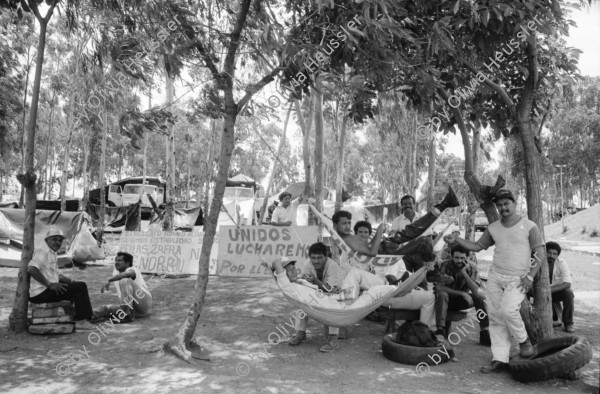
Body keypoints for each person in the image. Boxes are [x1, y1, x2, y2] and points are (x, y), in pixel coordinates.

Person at [445, 189, 544, 374]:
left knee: (508, 310)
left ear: (514, 203)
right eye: (499, 205)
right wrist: (456, 239)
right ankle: (500, 359)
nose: (502, 207)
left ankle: (524, 341)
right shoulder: (494, 228)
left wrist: (530, 276)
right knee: (495, 318)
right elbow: (477, 246)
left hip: (519, 278)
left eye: (506, 203)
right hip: (496, 277)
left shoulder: (530, 226)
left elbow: (540, 252)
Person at [266, 244, 435, 352]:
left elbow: (327, 290)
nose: (295, 270)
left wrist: (316, 283)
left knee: (357, 275)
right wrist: (273, 266)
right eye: (289, 269)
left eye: (294, 266)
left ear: (325, 257)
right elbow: (277, 265)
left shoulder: (304, 278)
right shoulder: (289, 286)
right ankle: (399, 286)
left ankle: (398, 285)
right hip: (339, 310)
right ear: (282, 275)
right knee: (376, 291)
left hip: (338, 298)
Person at [28, 228, 96, 330]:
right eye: (54, 239)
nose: (58, 242)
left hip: (46, 290)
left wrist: (71, 282)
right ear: (47, 240)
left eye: (60, 240)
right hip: (40, 293)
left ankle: (79, 317)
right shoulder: (43, 252)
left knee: (75, 287)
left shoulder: (53, 253)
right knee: (81, 287)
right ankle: (82, 321)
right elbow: (31, 269)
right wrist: (50, 285)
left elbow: (58, 275)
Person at [287, 242, 344, 352]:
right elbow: (306, 284)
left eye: (319, 258)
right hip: (316, 292)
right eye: (313, 258)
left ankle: (333, 339)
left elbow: (329, 289)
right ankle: (300, 333)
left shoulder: (333, 266)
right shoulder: (307, 264)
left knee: (333, 305)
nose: (316, 261)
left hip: (333, 293)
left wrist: (314, 280)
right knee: (301, 301)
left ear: (326, 256)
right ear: (310, 257)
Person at [434, 245, 490, 345]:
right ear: (451, 256)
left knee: (481, 298)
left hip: (462, 301)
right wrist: (462, 293)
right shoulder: (444, 265)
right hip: (445, 300)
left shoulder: (471, 268)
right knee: (442, 294)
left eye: (462, 258)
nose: (459, 260)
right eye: (456, 257)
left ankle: (485, 331)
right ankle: (440, 331)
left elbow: (475, 290)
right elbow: (439, 287)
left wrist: (464, 273)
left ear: (466, 258)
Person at [94, 252, 152, 322]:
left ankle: (126, 314)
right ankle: (83, 317)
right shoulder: (116, 273)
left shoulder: (133, 269)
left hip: (143, 303)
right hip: (131, 308)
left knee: (124, 280)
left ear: (127, 263)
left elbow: (126, 274)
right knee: (104, 309)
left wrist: (109, 280)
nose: (116, 262)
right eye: (116, 260)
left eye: (119, 260)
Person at [545, 241, 575, 333]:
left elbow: (567, 283)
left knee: (569, 293)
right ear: (544, 252)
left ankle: (568, 323)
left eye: (555, 254)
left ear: (557, 255)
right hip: (538, 293)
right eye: (549, 253)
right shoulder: (537, 262)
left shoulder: (561, 263)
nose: (552, 256)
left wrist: (548, 291)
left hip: (554, 292)